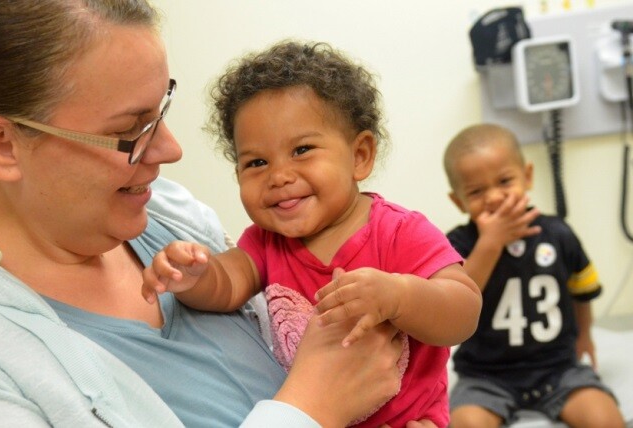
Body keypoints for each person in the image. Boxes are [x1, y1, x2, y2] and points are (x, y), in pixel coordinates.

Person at [0, 2, 411, 427]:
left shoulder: (169, 213)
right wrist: (311, 407)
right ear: (1, 145)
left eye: (161, 111)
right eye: (132, 129)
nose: (170, 150)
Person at [142, 40, 482, 428]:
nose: (279, 176)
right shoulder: (264, 241)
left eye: (302, 150)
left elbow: (464, 309)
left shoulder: (399, 231)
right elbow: (227, 285)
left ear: (360, 156)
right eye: (256, 162)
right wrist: (194, 275)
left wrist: (399, 296)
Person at [443, 123, 625, 428]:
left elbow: (582, 289)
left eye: (504, 181)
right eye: (476, 191)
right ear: (459, 201)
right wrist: (491, 242)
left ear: (527, 177)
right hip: (486, 375)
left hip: (559, 368)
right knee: (465, 423)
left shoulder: (557, 233)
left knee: (606, 418)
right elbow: (457, 298)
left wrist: (586, 335)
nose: (495, 197)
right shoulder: (458, 244)